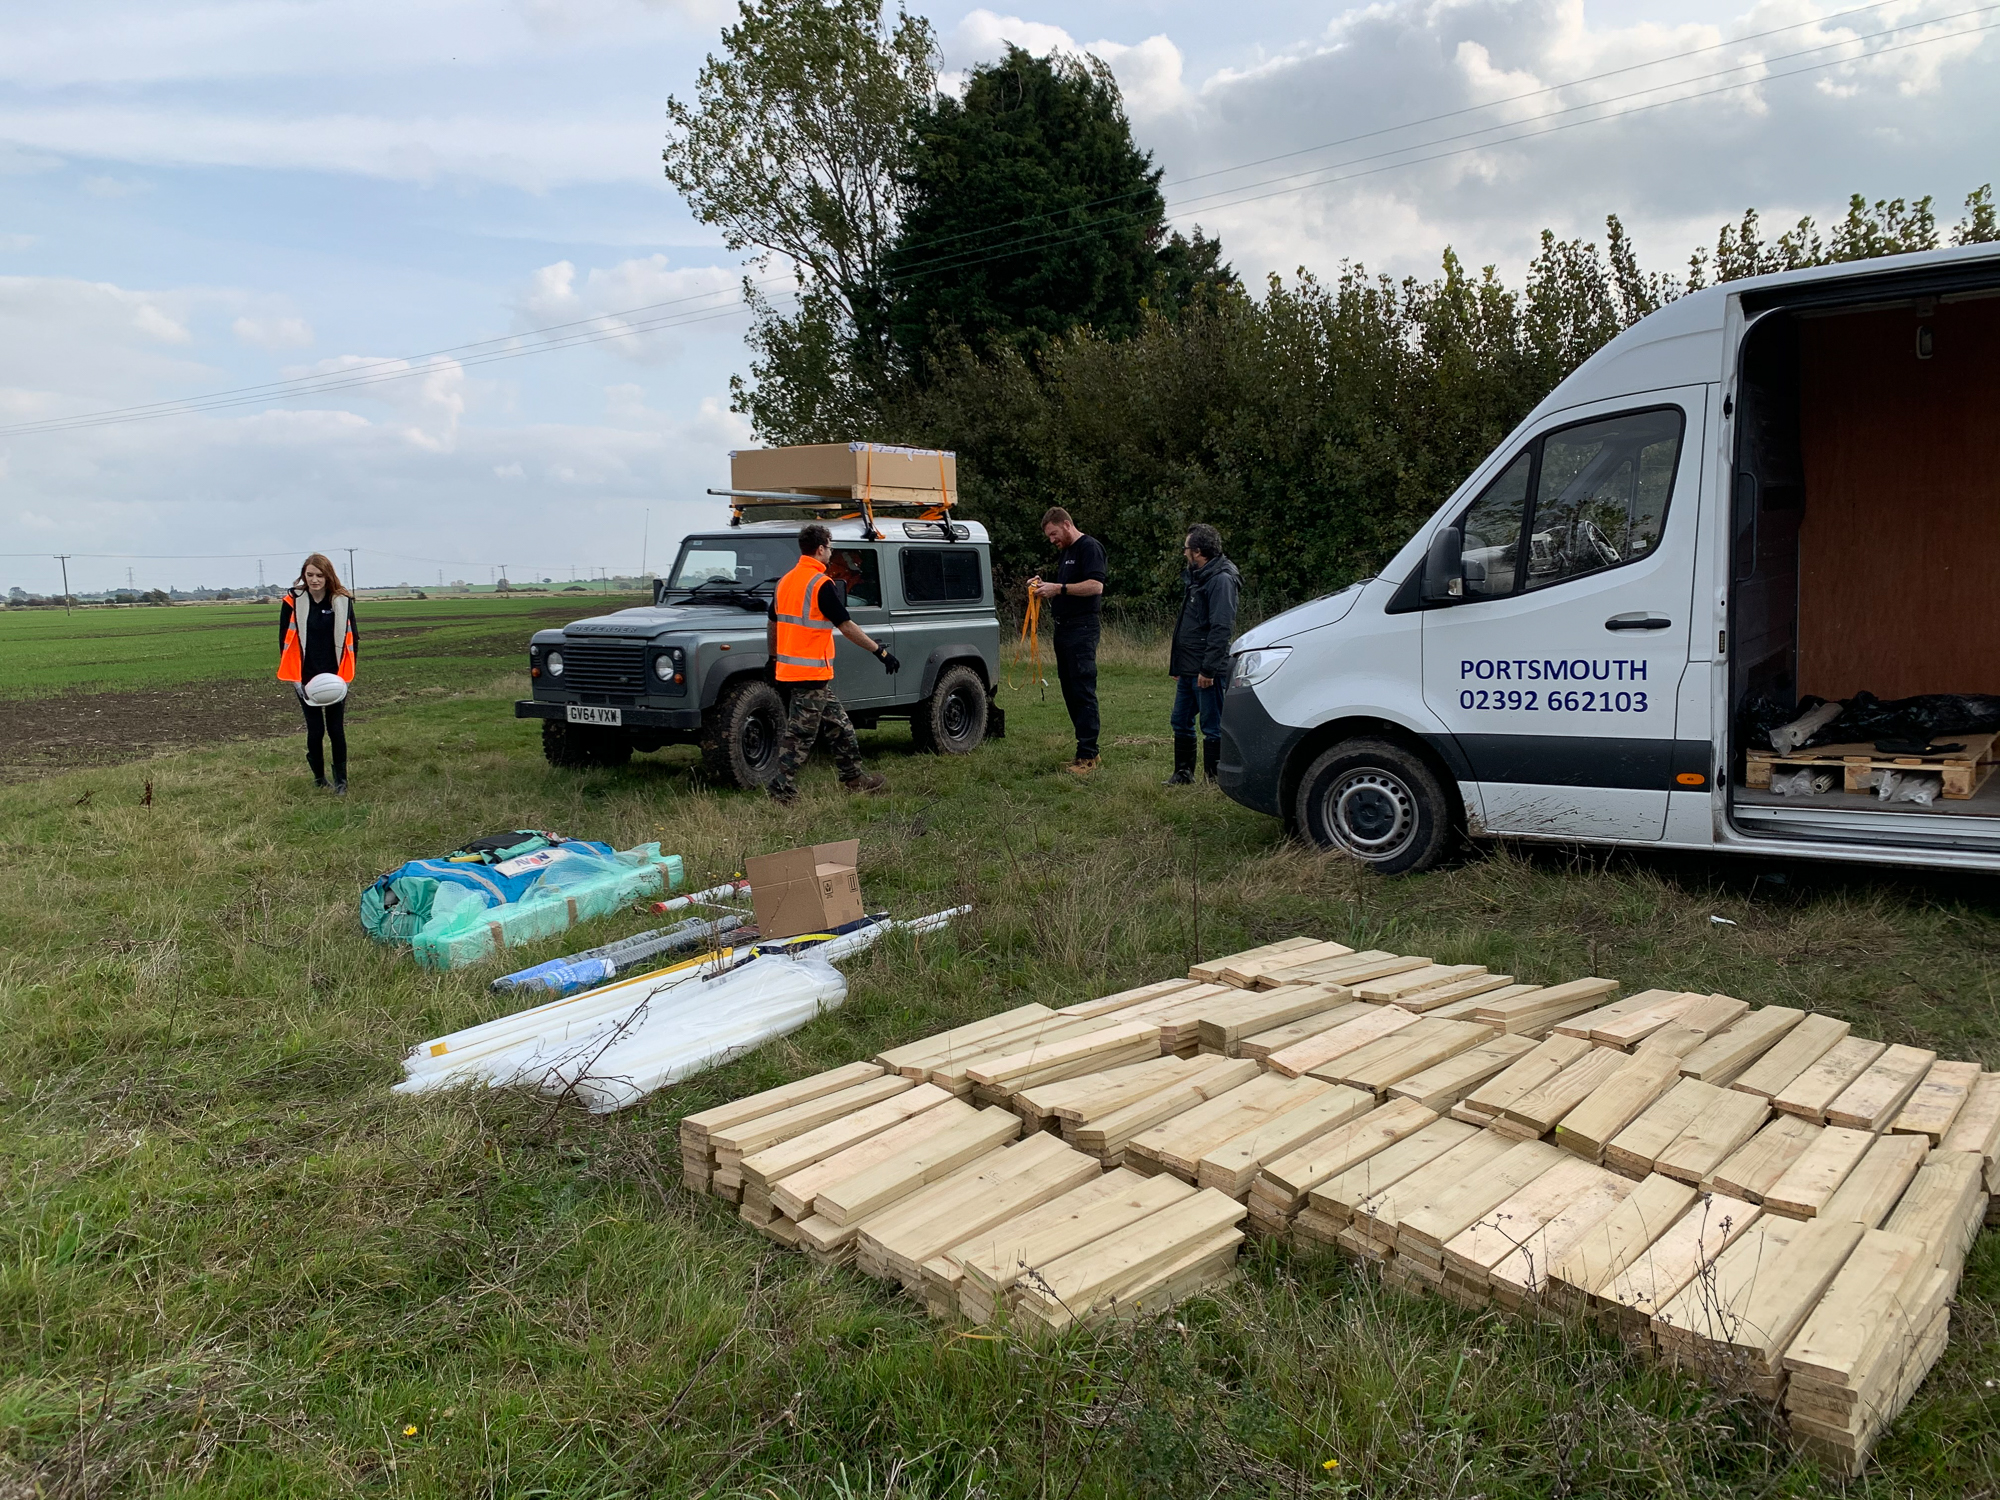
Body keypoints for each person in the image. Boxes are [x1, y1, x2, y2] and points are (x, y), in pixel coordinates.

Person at [765, 523, 900, 804]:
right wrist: (880, 652)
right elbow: (846, 625)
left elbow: (772, 623)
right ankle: (780, 790)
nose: (831, 552)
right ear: (820, 549)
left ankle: (854, 778)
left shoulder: (785, 581)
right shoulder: (820, 584)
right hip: (809, 673)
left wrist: (773, 657)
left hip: (794, 671)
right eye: (830, 547)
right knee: (800, 736)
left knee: (840, 726)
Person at [1027, 507, 1107, 775]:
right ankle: (1086, 750)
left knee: (1082, 689)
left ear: (1065, 524)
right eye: (1049, 537)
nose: (1052, 540)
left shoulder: (1089, 548)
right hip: (1063, 629)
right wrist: (1043, 586)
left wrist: (1058, 588)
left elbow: (1096, 586)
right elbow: (1065, 587)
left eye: (1053, 534)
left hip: (1082, 628)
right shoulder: (1066, 552)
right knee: (1069, 689)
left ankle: (1088, 756)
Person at [1164, 523, 1240, 785]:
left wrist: (1208, 669)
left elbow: (1221, 627)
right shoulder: (1199, 577)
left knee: (1211, 725)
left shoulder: (1221, 580)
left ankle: (1214, 779)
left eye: (1186, 548)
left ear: (1197, 551)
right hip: (1189, 667)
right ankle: (1183, 773)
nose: (1184, 552)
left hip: (1207, 670)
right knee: (1180, 720)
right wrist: (1179, 665)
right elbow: (1189, 624)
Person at [276, 552, 358, 794]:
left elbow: (353, 641)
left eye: (319, 575)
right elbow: (284, 642)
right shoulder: (292, 601)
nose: (314, 580)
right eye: (309, 575)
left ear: (328, 576)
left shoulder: (342, 601)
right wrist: (296, 680)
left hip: (335, 677)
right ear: (304, 575)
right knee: (315, 730)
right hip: (306, 677)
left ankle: (341, 781)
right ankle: (319, 778)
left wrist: (346, 678)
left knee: (336, 729)